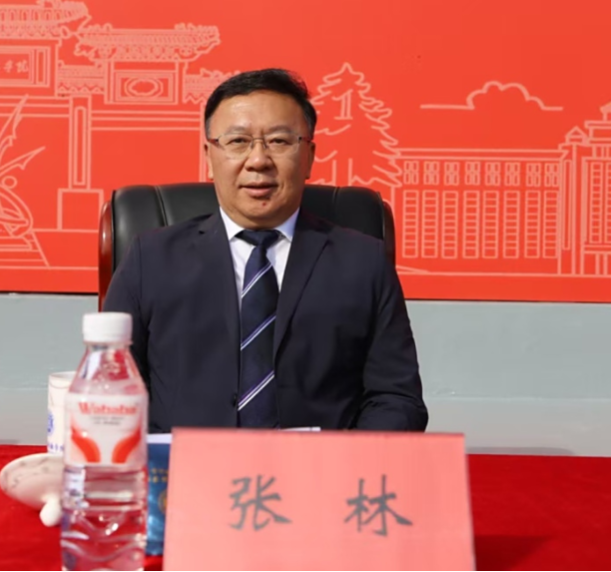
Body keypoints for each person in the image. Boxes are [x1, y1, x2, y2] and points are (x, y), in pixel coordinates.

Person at [102, 68, 428, 433]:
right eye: (238, 141)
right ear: (209, 156)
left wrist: (346, 461)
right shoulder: (150, 259)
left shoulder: (363, 263)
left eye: (278, 141)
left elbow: (396, 399)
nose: (258, 160)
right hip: (182, 466)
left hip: (321, 467)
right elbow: (110, 391)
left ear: (309, 156)